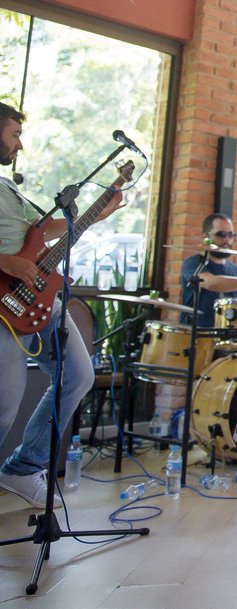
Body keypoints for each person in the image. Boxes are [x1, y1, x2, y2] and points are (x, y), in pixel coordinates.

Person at [0, 102, 120, 506]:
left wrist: (94, 215)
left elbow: (40, 231)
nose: (20, 144)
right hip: (3, 301)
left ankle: (21, 467)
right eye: (14, 134)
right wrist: (8, 262)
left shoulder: (8, 188)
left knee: (77, 376)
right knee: (5, 400)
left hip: (38, 298)